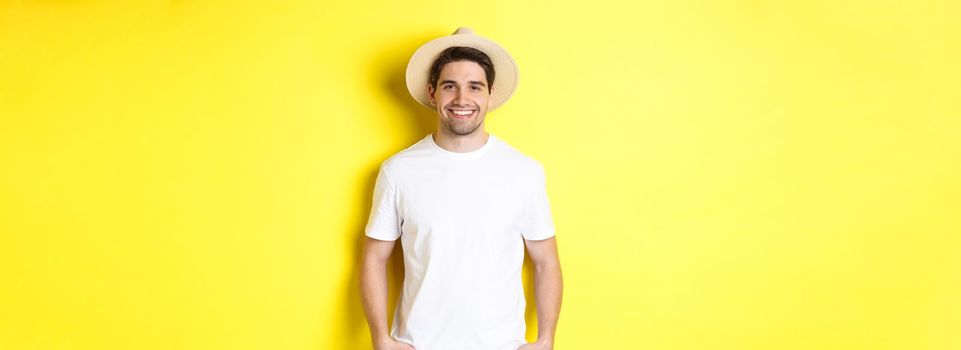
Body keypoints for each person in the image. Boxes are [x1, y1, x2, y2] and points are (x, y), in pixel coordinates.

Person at [360, 27, 562, 350]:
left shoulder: (524, 172)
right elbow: (373, 258)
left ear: (490, 95)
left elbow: (546, 262)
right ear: (432, 92)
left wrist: (546, 340)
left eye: (474, 87)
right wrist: (380, 339)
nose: (462, 99)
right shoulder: (397, 171)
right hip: (419, 344)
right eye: (450, 86)